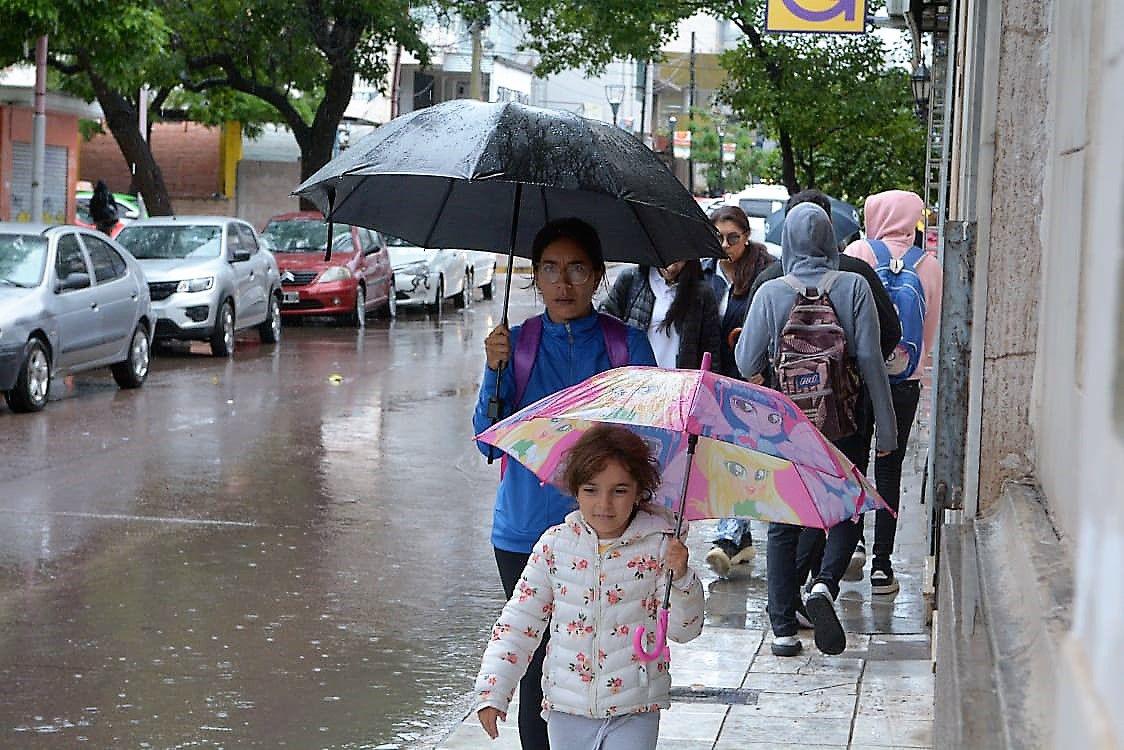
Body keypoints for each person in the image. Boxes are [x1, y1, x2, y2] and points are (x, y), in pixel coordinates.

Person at [473, 217, 657, 750]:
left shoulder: (627, 346)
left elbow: (650, 446)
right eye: (550, 269)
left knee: (602, 657)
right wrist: (495, 372)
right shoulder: (517, 345)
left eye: (577, 268)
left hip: (610, 532)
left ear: (598, 275)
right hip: (526, 531)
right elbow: (488, 442)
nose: (563, 282)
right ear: (534, 277)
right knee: (536, 664)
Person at [474, 425, 704, 749]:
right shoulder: (555, 546)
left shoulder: (661, 548)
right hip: (567, 709)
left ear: (639, 491)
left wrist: (681, 577)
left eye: (620, 490)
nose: (604, 504)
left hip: (635, 707)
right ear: (575, 490)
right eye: (591, 489)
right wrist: (493, 689)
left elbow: (685, 630)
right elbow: (519, 622)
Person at [735, 202, 897, 657]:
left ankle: (783, 628)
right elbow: (869, 359)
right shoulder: (854, 286)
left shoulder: (770, 291)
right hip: (844, 421)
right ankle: (824, 585)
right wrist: (887, 432)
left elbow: (746, 361)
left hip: (785, 427)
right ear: (830, 239)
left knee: (784, 521)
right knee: (847, 505)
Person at [844, 190, 943, 595]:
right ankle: (883, 567)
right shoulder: (930, 265)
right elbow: (931, 327)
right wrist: (913, 368)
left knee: (851, 464)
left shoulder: (858, 252)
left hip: (858, 381)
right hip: (903, 384)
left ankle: (852, 545)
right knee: (890, 469)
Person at [700, 205, 779, 577]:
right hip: (714, 379)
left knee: (743, 461)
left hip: (753, 381)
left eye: (733, 237)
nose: (726, 245)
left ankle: (730, 536)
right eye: (719, 238)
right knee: (724, 458)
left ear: (746, 237)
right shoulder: (705, 275)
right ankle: (739, 537)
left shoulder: (765, 274)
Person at [599, 260, 721, 370]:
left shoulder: (702, 294)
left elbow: (711, 349)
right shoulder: (632, 280)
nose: (671, 267)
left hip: (680, 382)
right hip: (637, 377)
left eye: (679, 259)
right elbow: (606, 321)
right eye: (667, 260)